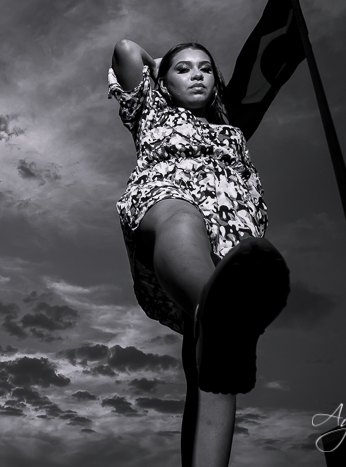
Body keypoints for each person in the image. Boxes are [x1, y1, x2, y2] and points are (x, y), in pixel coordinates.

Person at [108, 40, 290, 467]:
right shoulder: (151, 111)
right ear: (163, 83)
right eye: (184, 69)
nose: (196, 75)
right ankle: (214, 300)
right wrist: (157, 68)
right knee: (182, 216)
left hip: (226, 242)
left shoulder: (232, 134)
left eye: (206, 69)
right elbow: (126, 49)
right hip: (166, 208)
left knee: (211, 374)